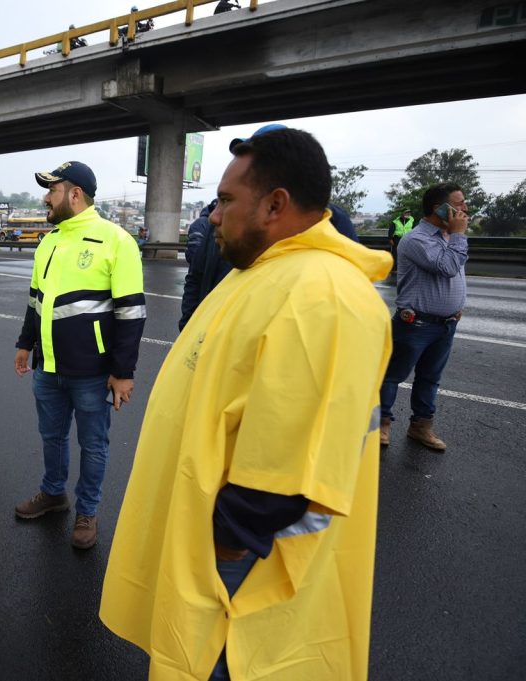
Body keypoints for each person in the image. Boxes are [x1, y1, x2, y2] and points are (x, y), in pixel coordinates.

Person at [100, 127, 392, 681]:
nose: (212, 215)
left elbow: (290, 465)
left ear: (275, 205)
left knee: (223, 661)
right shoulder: (268, 272)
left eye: (227, 201)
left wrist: (224, 548)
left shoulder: (321, 296)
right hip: (214, 539)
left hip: (243, 560)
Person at [14, 161, 146, 550]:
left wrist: (123, 372)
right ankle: (54, 493)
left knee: (94, 444)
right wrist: (25, 344)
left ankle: (87, 511)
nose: (45, 197)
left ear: (74, 194)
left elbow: (131, 313)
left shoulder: (116, 240)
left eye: (52, 190)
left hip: (92, 371)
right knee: (51, 436)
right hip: (48, 367)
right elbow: (35, 301)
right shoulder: (49, 241)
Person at [178, 123, 360, 331]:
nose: (215, 217)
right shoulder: (222, 221)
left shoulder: (327, 222)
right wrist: (189, 328)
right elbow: (196, 277)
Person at [379, 183, 469, 452]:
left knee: (430, 378)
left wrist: (456, 305)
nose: (465, 209)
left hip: (446, 324)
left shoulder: (449, 237)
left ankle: (421, 427)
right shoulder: (416, 239)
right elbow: (448, 267)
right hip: (415, 323)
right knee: (393, 376)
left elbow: (458, 274)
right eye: (460, 204)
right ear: (439, 208)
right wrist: (459, 236)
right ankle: (381, 424)